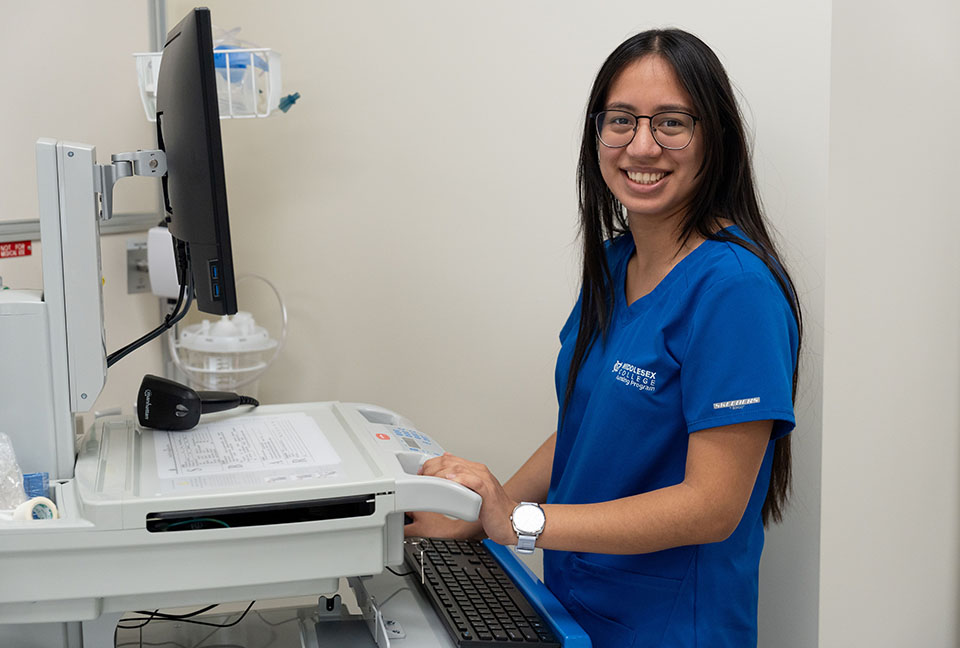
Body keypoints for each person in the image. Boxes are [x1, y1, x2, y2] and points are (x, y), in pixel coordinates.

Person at [406, 28, 802, 648]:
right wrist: (485, 515)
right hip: (578, 605)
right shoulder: (617, 263)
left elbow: (712, 506)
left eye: (672, 122)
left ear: (714, 139)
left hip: (671, 628)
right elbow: (591, 423)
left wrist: (519, 521)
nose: (642, 146)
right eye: (621, 120)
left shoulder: (735, 290)